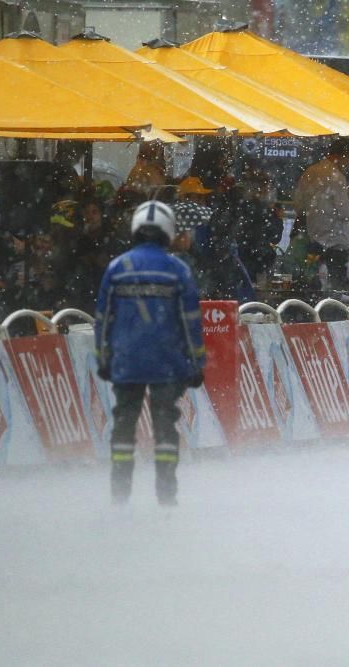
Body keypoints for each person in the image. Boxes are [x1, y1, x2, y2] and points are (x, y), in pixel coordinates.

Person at [95, 201, 205, 506]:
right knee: (165, 428)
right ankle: (166, 496)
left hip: (126, 362)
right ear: (168, 232)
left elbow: (103, 320)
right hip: (167, 365)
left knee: (124, 425)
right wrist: (197, 363)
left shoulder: (117, 268)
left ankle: (120, 494)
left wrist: (103, 358)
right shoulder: (178, 270)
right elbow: (191, 323)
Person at [292, 139, 349, 285]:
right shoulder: (337, 177)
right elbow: (346, 213)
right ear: (342, 156)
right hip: (334, 243)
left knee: (312, 285)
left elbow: (298, 206)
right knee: (335, 289)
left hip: (311, 241)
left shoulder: (310, 172)